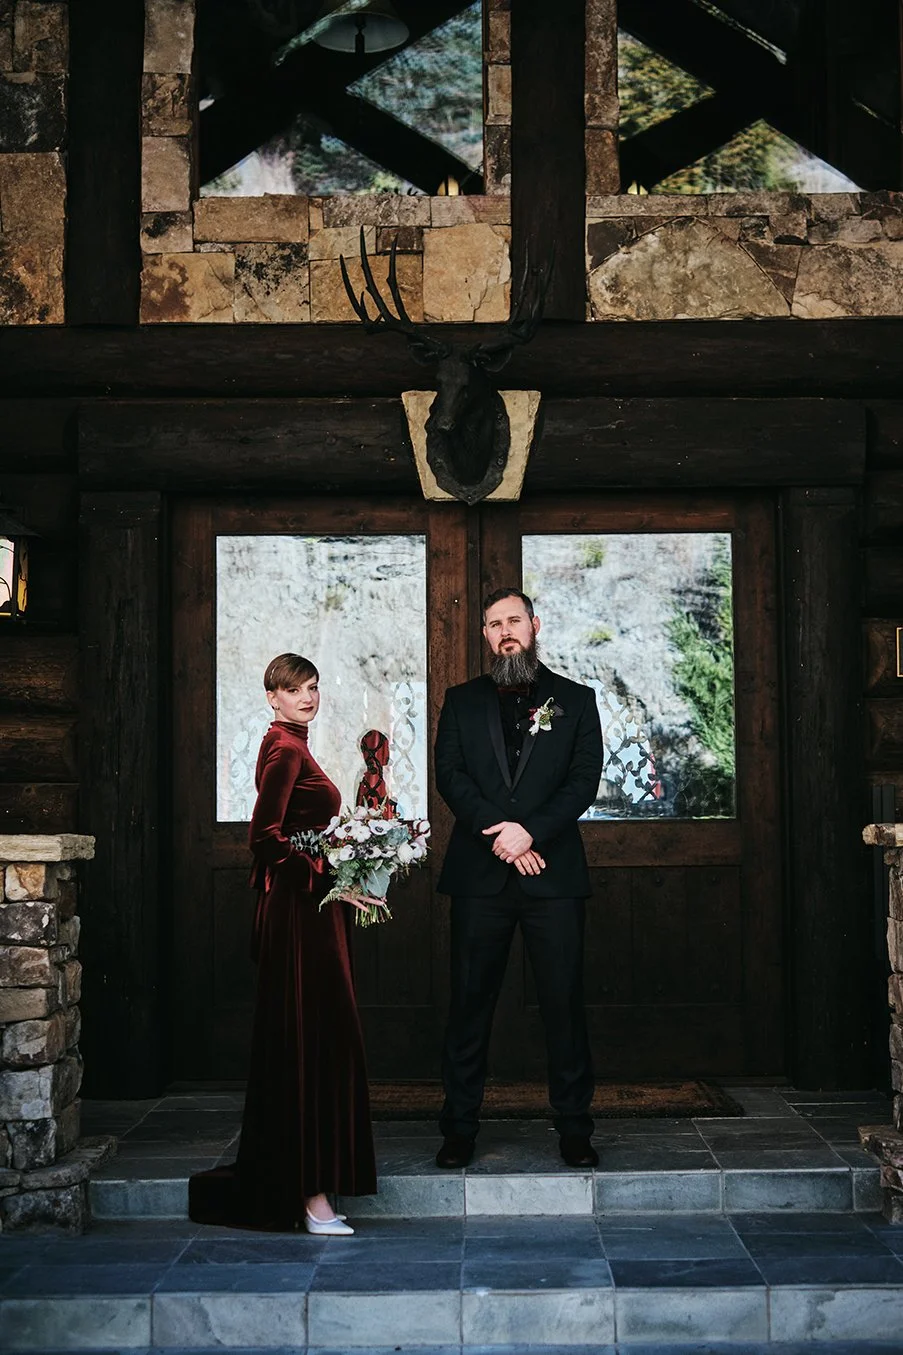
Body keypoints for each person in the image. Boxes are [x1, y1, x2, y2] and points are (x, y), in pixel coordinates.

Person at [189, 653, 377, 1233]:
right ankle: (310, 1195)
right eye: (295, 689)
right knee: (310, 1041)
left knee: (319, 1038)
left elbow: (300, 834)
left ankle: (309, 1185)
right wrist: (328, 881)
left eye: (314, 687)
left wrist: (345, 870)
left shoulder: (293, 744)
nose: (307, 697)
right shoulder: (284, 748)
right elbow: (263, 838)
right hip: (300, 915)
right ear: (272, 696)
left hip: (311, 911)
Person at [434, 588, 604, 1170]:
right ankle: (458, 1130)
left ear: (534, 625)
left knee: (564, 1006)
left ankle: (575, 1130)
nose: (504, 631)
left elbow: (583, 783)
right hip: (480, 878)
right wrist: (502, 834)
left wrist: (530, 833)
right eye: (493, 624)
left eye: (513, 620)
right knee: (468, 1006)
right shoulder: (460, 701)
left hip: (552, 879)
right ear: (485, 634)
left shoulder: (577, 701)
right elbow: (450, 777)